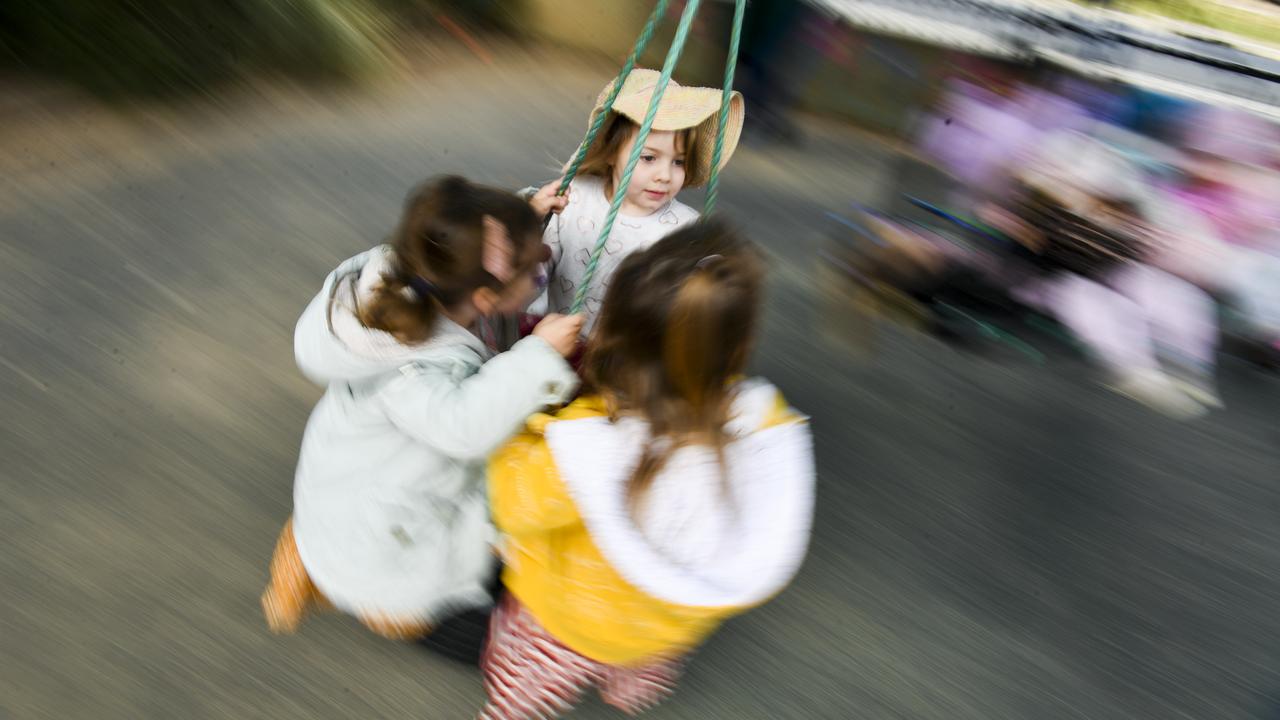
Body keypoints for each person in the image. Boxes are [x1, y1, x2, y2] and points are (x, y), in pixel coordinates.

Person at [479, 220, 815, 719]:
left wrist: (526, 423)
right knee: (640, 656)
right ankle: (628, 687)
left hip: (562, 624)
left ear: (613, 335)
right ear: (736, 344)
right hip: (662, 627)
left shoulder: (588, 441)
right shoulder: (765, 423)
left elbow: (514, 506)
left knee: (523, 695)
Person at [261, 175, 583, 640]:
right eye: (533, 269)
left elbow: (464, 243)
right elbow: (465, 426)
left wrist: (526, 215)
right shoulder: (411, 375)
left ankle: (308, 558)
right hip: (387, 547)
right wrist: (539, 359)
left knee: (333, 532)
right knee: (483, 629)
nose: (546, 264)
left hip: (351, 483)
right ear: (486, 298)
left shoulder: (427, 275)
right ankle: (324, 581)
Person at [525, 68, 745, 332]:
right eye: (649, 158)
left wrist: (713, 277)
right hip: (559, 342)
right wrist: (532, 219)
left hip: (632, 360)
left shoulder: (687, 229)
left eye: (678, 162)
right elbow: (534, 272)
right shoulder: (575, 197)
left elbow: (698, 297)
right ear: (611, 151)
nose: (664, 176)